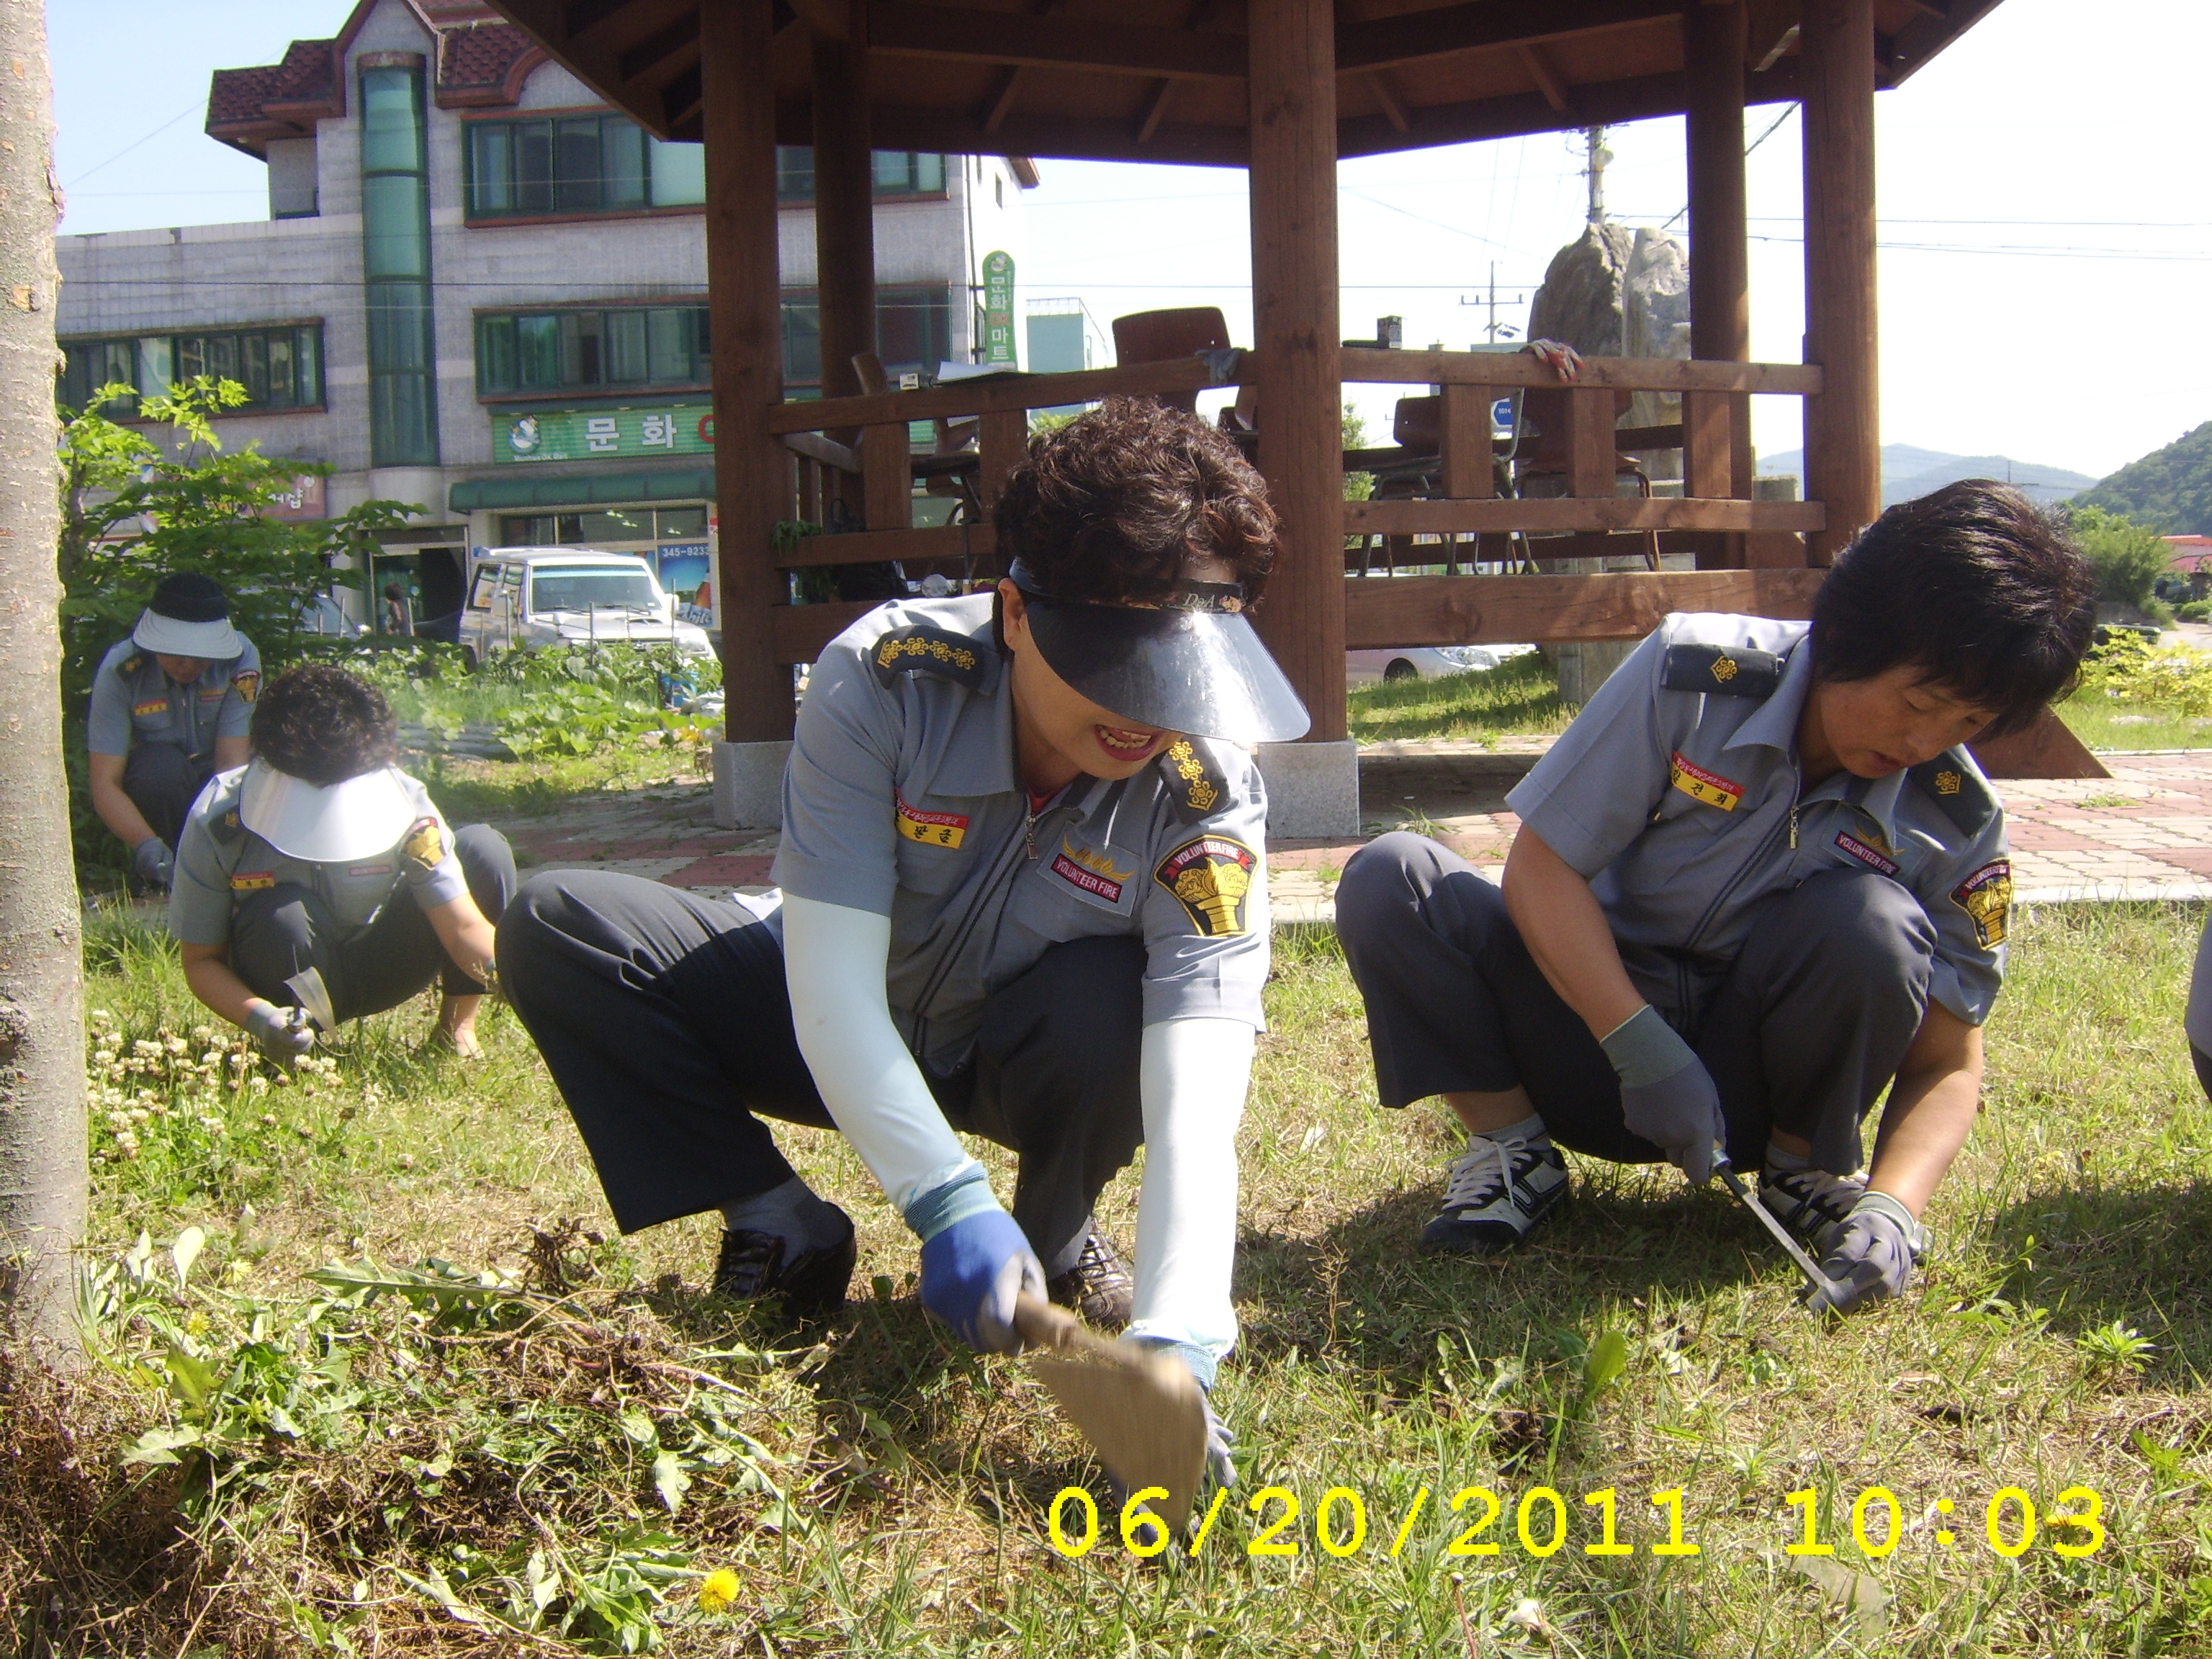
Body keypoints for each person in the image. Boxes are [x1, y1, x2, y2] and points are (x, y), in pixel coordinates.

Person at [496, 399, 1307, 1470]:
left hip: (1013, 1055)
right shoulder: (890, 679)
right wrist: (944, 1199)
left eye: (1177, 675)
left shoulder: (1205, 791)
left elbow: (1198, 1086)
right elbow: (830, 987)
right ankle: (776, 1217)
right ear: (1015, 611)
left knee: (1119, 996)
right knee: (560, 923)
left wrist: (1181, 1339)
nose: (1145, 716)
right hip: (835, 1023)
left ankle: (1056, 1234)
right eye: (1113, 666)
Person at [1336, 481, 2095, 1314]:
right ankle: (1514, 1153)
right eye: (1918, 703)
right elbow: (1543, 870)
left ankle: (1802, 1175)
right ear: (1851, 633)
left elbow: (1950, 1056)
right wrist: (1639, 1047)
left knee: (1873, 922)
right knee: (1394, 876)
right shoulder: (1693, 677)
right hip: (1590, 1040)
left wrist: (1896, 1206)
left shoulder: (1956, 819)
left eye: (1965, 723)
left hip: (1756, 1096)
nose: (1924, 742)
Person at [169, 665, 516, 1061]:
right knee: (280, 914)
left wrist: (507, 973)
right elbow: (201, 960)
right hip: (283, 971)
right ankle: (300, 1044)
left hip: (381, 964)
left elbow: (462, 926)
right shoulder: (220, 817)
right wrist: (264, 1020)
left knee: (482, 850)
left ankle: (457, 1028)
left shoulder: (403, 804)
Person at [86, 572, 262, 891]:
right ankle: (160, 870)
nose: (187, 665)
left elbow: (231, 769)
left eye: (201, 656)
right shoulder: (120, 671)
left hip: (213, 779)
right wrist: (145, 845)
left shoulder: (241, 660)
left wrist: (224, 844)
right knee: (158, 770)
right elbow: (105, 782)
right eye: (175, 653)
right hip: (158, 786)